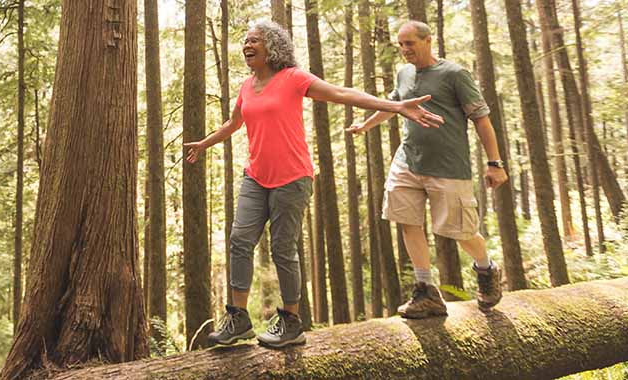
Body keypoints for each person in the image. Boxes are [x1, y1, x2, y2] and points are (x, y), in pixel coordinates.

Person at [184, 20, 443, 348]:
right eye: (245, 41)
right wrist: (205, 143)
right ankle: (238, 318)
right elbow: (234, 123)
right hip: (256, 177)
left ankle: (291, 322)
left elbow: (342, 93)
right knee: (239, 240)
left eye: (255, 40)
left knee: (282, 248)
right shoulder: (247, 86)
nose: (247, 45)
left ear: (273, 46)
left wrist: (395, 106)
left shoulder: (293, 78)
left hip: (292, 178)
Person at [347, 20, 508, 319]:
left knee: (462, 232)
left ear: (427, 40)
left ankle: (486, 269)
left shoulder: (454, 74)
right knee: (407, 220)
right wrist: (365, 125)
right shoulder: (404, 73)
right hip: (408, 161)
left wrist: (494, 163)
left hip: (448, 166)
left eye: (410, 43)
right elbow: (394, 105)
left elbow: (481, 118)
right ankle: (426, 291)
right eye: (401, 44)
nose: (405, 49)